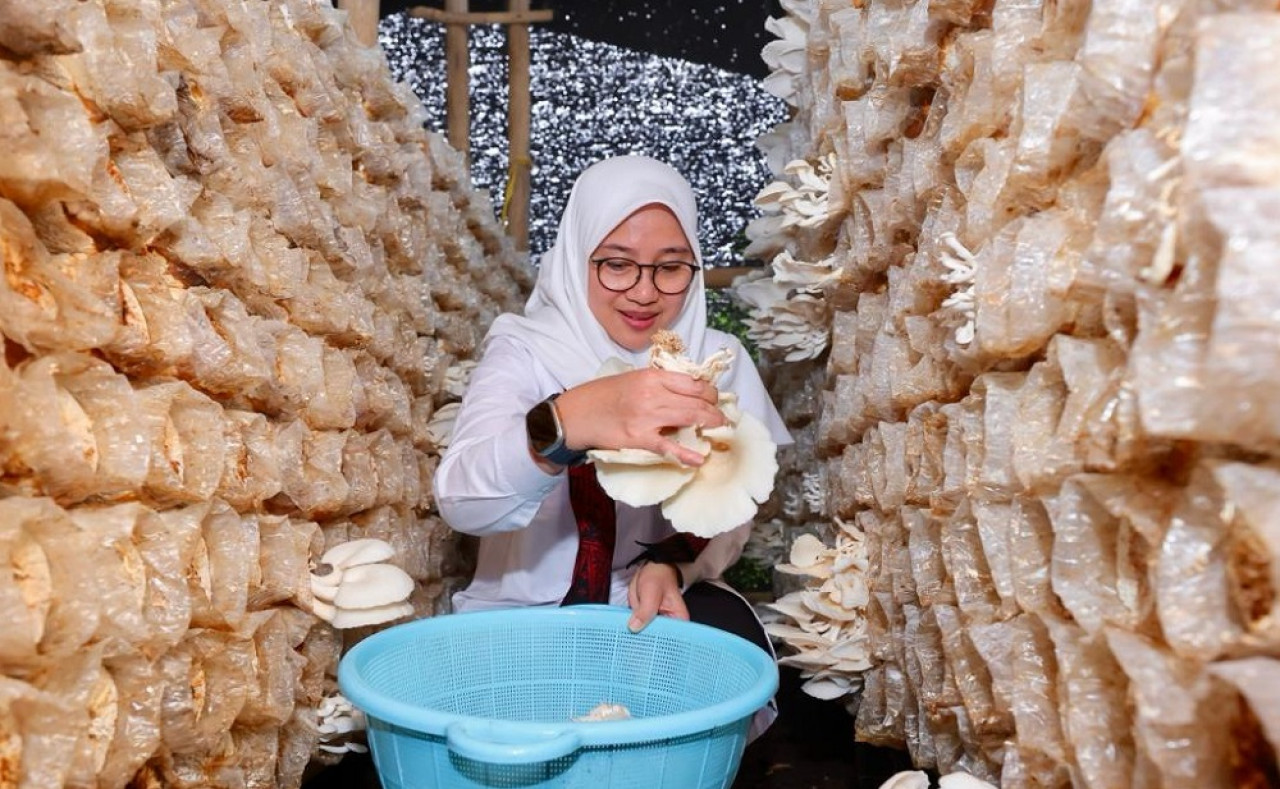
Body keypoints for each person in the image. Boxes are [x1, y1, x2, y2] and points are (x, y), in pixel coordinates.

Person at [433, 154, 792, 735]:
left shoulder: (717, 358)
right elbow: (463, 503)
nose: (645, 293)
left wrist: (675, 564)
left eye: (671, 268)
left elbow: (736, 505)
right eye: (617, 265)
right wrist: (567, 422)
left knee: (708, 685)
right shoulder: (524, 348)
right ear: (578, 260)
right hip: (526, 621)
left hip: (649, 607)